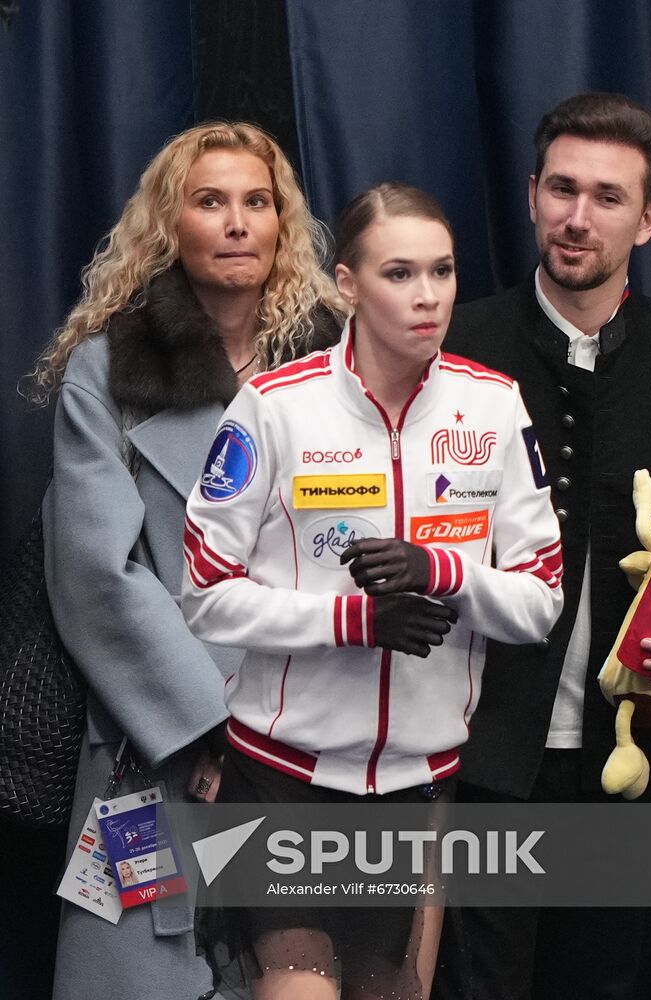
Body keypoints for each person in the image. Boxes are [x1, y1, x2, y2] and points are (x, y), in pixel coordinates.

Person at [181, 181, 564, 1000]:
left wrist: (442, 571)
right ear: (347, 285)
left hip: (415, 782)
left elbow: (539, 604)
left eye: (442, 271)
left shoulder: (493, 406)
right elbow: (204, 595)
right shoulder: (274, 408)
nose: (428, 297)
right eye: (399, 273)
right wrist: (349, 619)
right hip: (279, 775)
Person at [431, 92, 651, 1000]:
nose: (577, 218)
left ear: (648, 219)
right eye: (561, 189)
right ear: (531, 195)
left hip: (635, 767)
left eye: (607, 197)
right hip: (480, 756)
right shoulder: (457, 344)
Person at [33, 121, 344, 1000]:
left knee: (305, 968)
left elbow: (355, 548)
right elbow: (97, 574)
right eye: (211, 201)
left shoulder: (337, 371)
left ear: (282, 224)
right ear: (172, 222)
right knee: (143, 972)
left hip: (310, 729)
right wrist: (216, 724)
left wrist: (272, 724)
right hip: (160, 733)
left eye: (257, 202)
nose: (238, 222)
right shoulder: (108, 369)